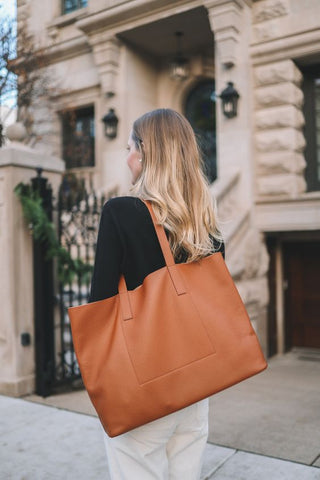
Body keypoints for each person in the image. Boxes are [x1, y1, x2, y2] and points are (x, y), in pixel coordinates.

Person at [89, 108, 225, 480]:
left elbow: (100, 303)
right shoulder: (205, 220)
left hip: (143, 383)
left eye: (129, 146)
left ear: (146, 153)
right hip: (197, 384)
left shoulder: (120, 212)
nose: (126, 156)